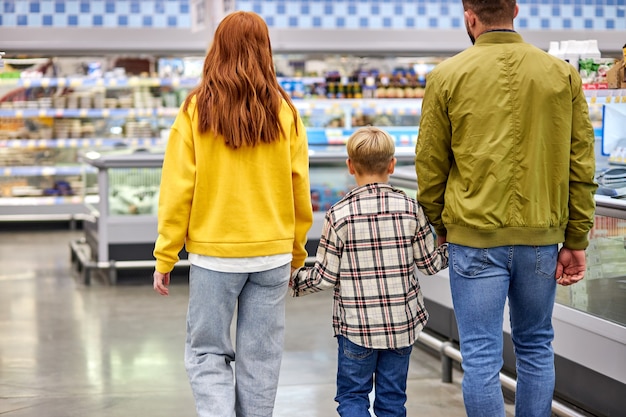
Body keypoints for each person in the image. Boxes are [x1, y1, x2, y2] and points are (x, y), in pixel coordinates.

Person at [414, 1, 598, 416]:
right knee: (536, 345)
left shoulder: (446, 76)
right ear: (515, 9)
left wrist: (439, 224)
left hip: (473, 238)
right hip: (541, 238)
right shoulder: (561, 74)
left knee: (480, 355)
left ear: (469, 16)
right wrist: (576, 237)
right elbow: (580, 163)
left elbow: (430, 164)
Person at [152, 11, 313, 417]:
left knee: (207, 351)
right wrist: (296, 253)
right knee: (262, 359)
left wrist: (165, 255)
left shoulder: (194, 110)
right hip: (272, 255)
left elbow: (177, 190)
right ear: (266, 50)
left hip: (213, 256)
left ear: (216, 48)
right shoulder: (286, 113)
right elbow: (299, 191)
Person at [291, 126, 449, 417]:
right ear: (392, 165)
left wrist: (293, 280)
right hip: (402, 327)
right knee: (392, 401)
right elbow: (430, 264)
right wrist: (455, 245)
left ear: (350, 166)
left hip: (356, 329)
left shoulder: (339, 214)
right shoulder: (411, 209)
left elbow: (325, 277)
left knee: (352, 397)